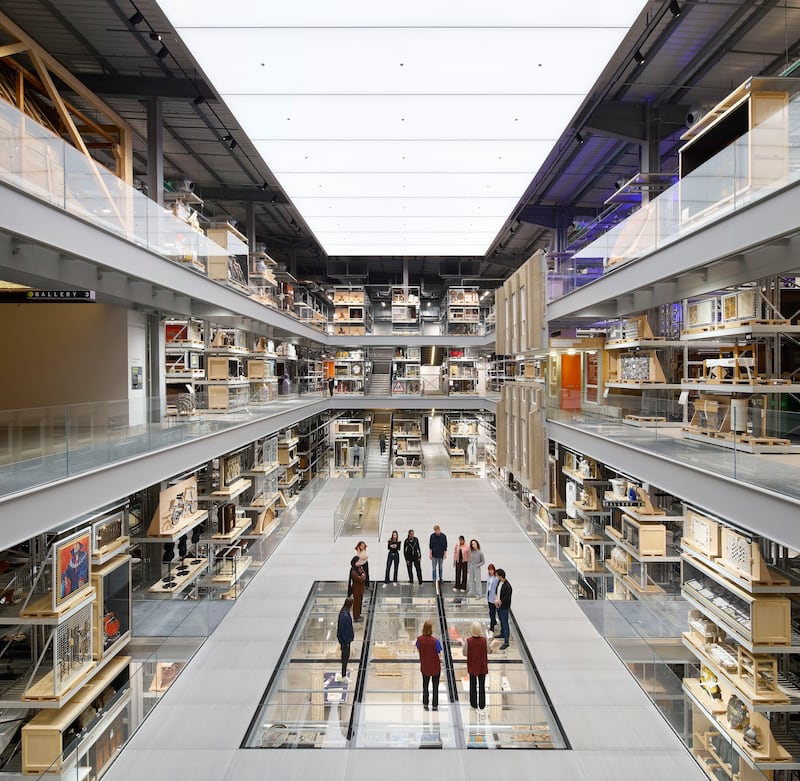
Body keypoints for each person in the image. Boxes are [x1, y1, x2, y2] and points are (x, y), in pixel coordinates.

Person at [415, 620, 442, 711]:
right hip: (435, 666)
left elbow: (419, 650)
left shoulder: (419, 640)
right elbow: (439, 654)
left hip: (425, 665)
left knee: (425, 685)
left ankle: (425, 703)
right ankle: (435, 704)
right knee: (435, 686)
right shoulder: (435, 641)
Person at [463, 621, 488, 711]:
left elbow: (464, 653)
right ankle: (482, 704)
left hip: (472, 666)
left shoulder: (468, 640)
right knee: (482, 686)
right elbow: (489, 650)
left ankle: (473, 704)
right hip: (482, 666)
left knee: (472, 685)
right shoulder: (484, 640)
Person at [337, 596, 354, 679]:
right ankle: (344, 675)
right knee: (345, 656)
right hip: (345, 640)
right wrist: (347, 641)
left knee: (345, 655)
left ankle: (345, 668)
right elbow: (345, 630)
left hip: (344, 639)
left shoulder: (344, 612)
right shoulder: (345, 616)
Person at [496, 568, 513, 649]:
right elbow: (497, 591)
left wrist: (500, 602)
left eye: (497, 576)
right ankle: (502, 633)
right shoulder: (500, 582)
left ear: (500, 576)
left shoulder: (508, 586)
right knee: (501, 621)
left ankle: (506, 642)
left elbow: (507, 599)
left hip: (504, 607)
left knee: (505, 623)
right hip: (499, 605)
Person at [349, 556, 366, 621]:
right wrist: (362, 576)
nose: (359, 562)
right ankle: (356, 617)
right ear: (355, 562)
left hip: (361, 590)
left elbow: (364, 574)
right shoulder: (353, 571)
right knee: (356, 604)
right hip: (357, 590)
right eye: (358, 561)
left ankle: (358, 615)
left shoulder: (359, 568)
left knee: (360, 604)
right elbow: (360, 579)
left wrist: (362, 575)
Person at [486, 563, 499, 635]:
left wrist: (496, 597)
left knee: (492, 612)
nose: (491, 571)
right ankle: (494, 622)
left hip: (494, 596)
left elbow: (497, 588)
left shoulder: (496, 578)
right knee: (491, 611)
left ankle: (492, 628)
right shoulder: (488, 576)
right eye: (489, 570)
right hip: (489, 595)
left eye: (492, 570)